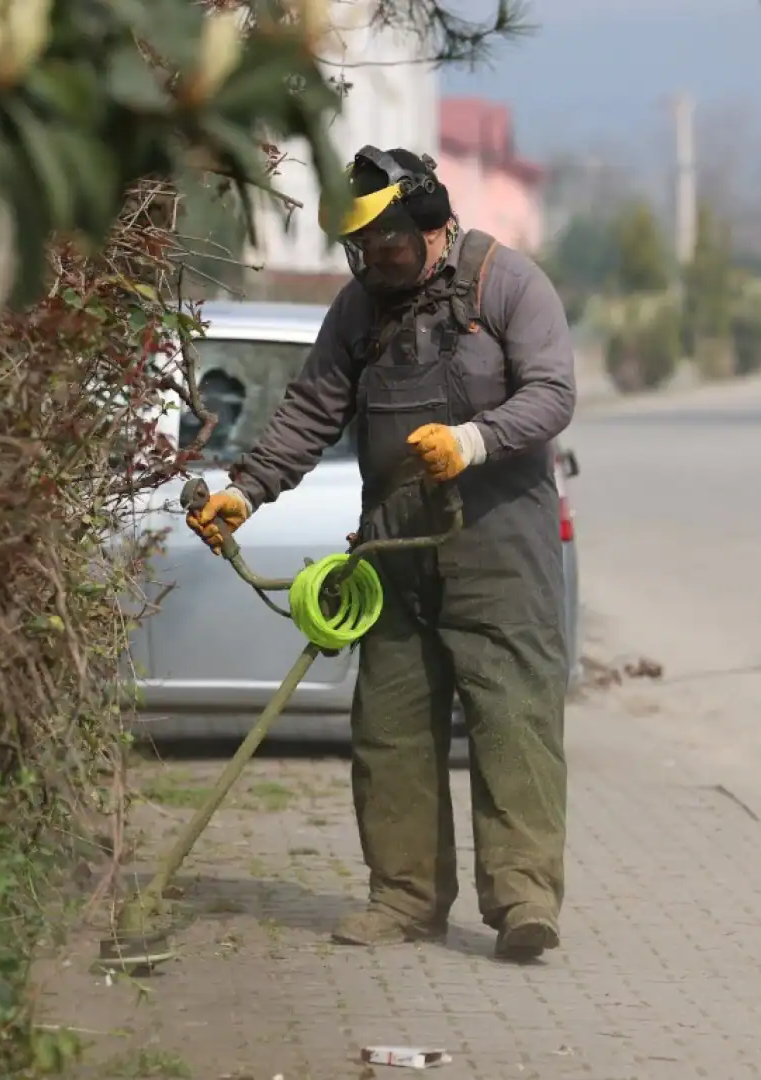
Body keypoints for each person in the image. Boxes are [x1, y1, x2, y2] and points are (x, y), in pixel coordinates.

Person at [185, 146, 576, 961]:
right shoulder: (358, 309)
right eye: (358, 252)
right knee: (391, 729)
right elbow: (310, 409)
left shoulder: (509, 285)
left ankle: (524, 901)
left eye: (386, 249)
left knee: (513, 726)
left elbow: (552, 394)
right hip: (393, 547)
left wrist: (474, 439)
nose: (372, 265)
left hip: (500, 545)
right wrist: (245, 491)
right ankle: (403, 899)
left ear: (429, 228)